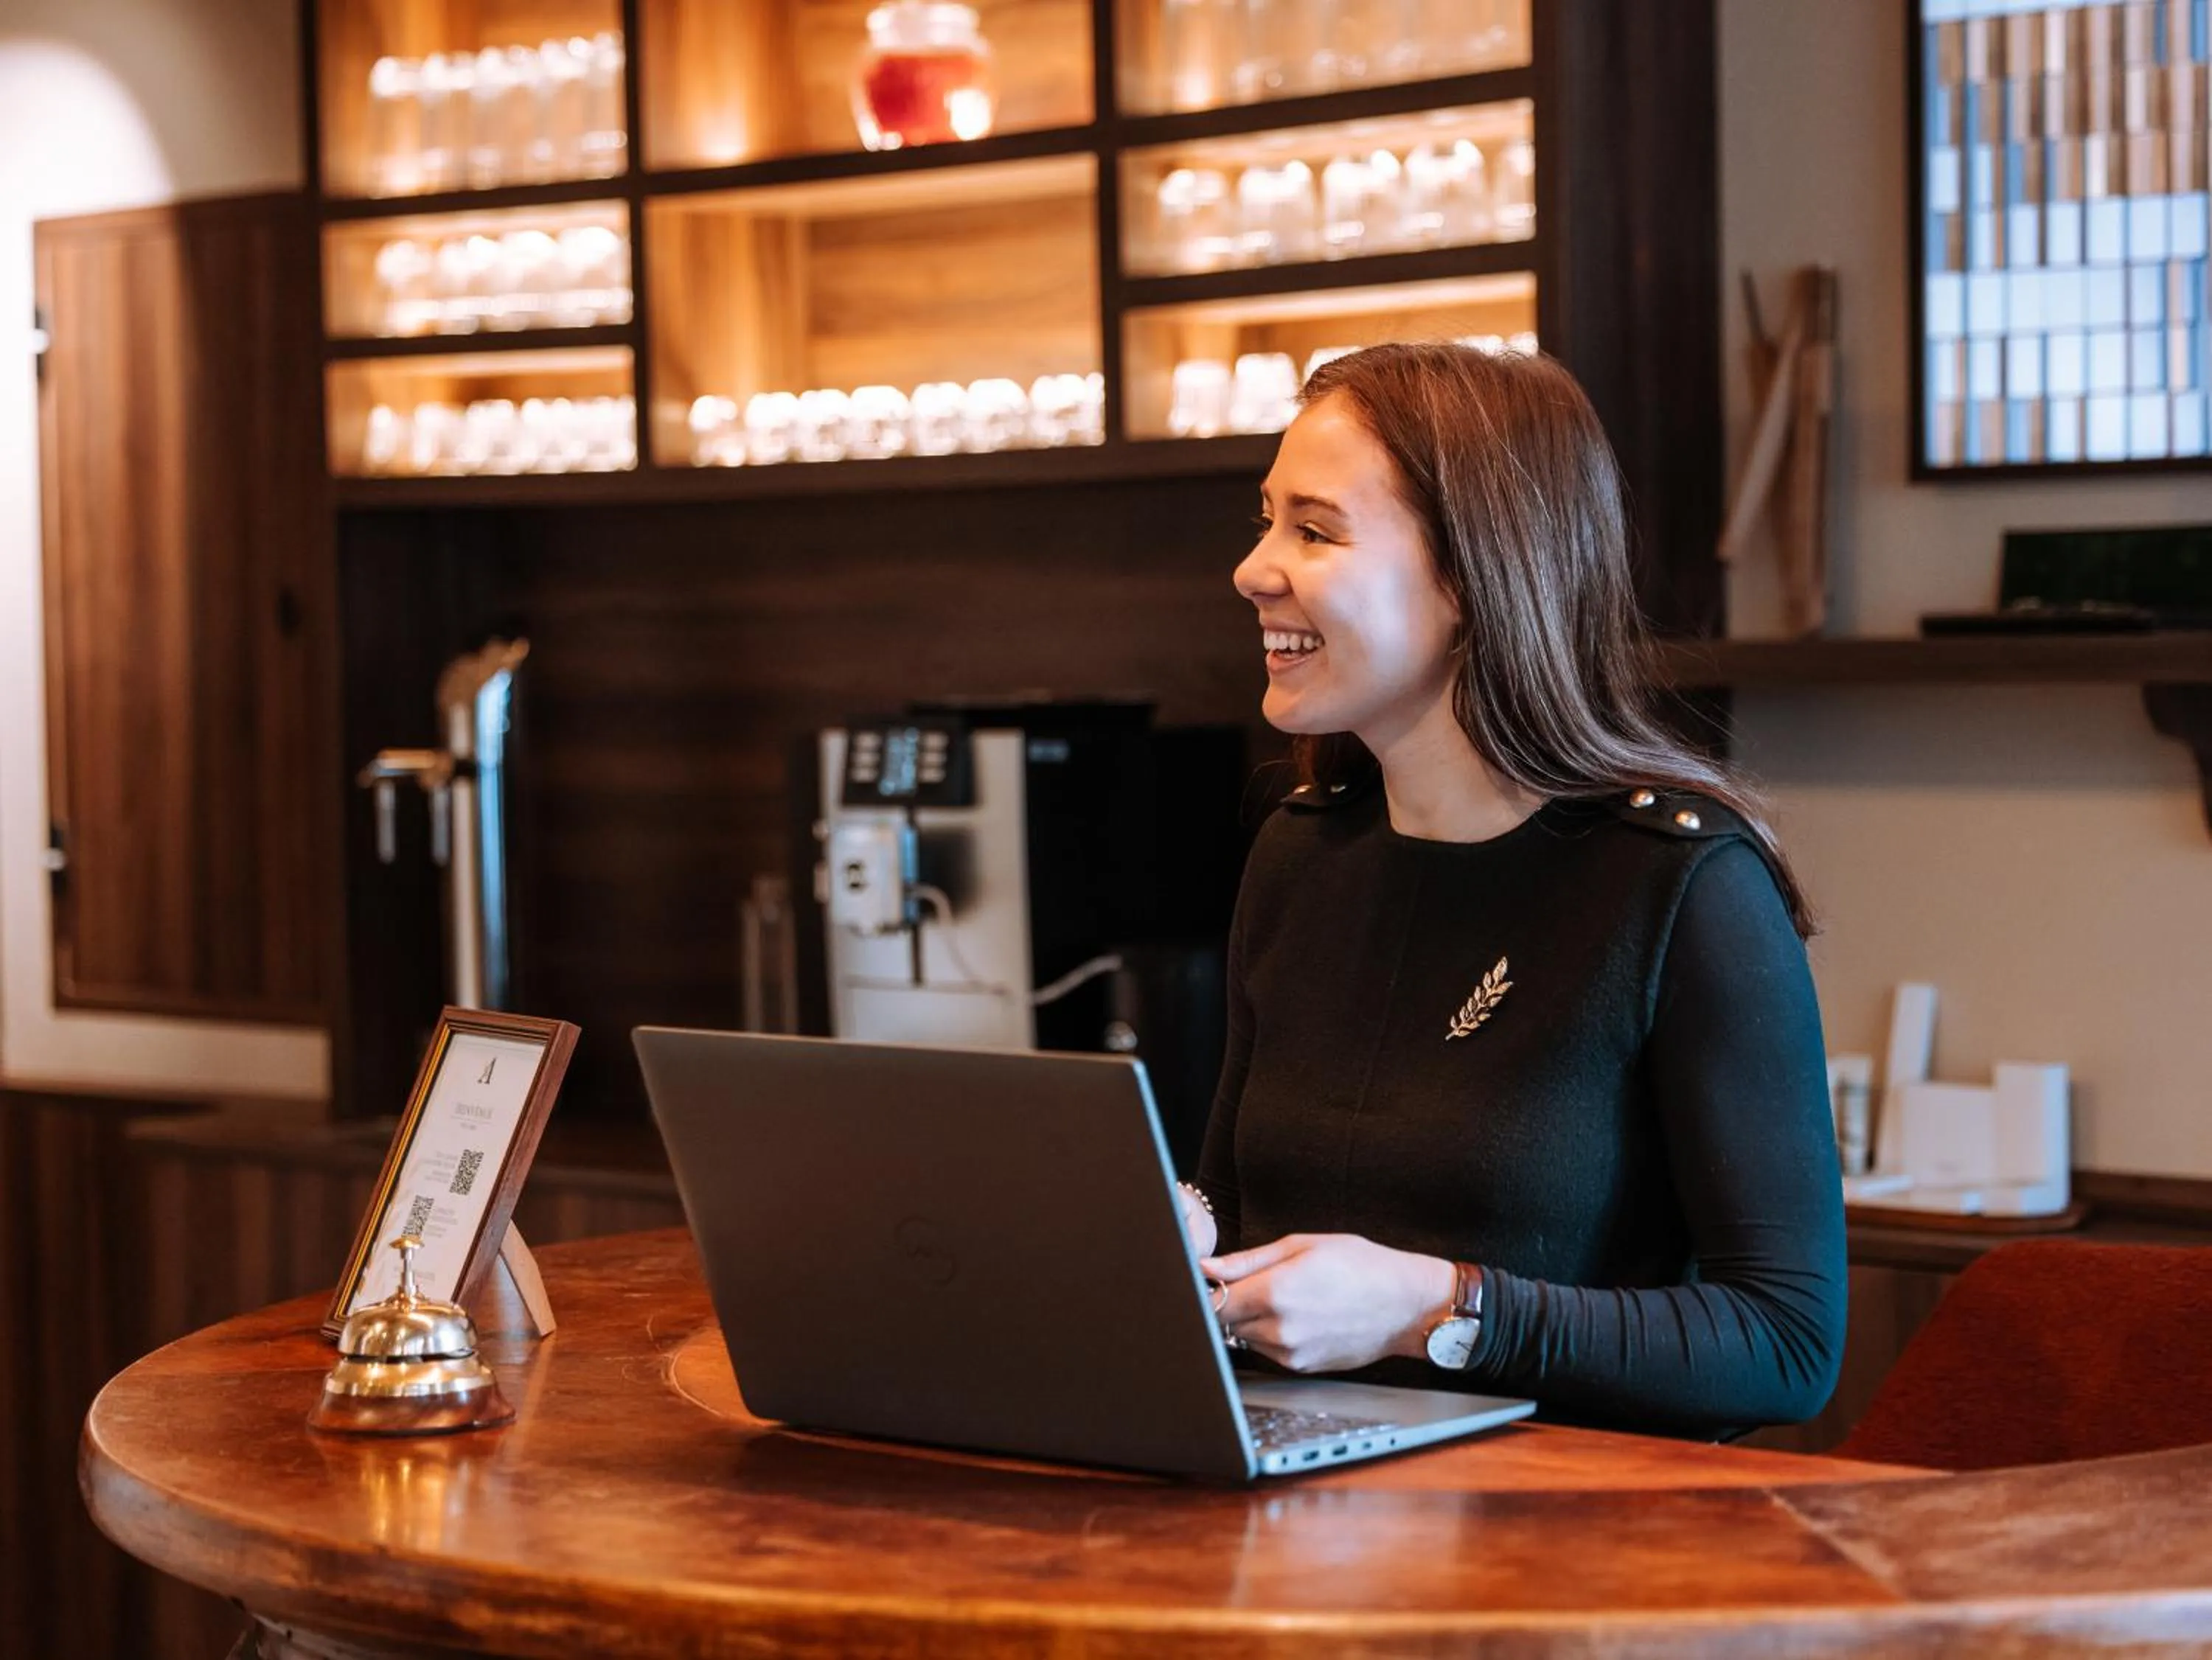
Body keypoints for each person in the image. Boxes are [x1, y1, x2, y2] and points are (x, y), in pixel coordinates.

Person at [1175, 341, 1846, 1439]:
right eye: (1266, 522)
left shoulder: (1683, 883)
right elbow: (1237, 1229)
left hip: (1572, 1522)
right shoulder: (1299, 855)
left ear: (1472, 577)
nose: (1254, 570)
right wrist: (1175, 1236)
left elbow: (1786, 1346)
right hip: (1304, 1505)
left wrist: (1439, 1311)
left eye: (1315, 530)